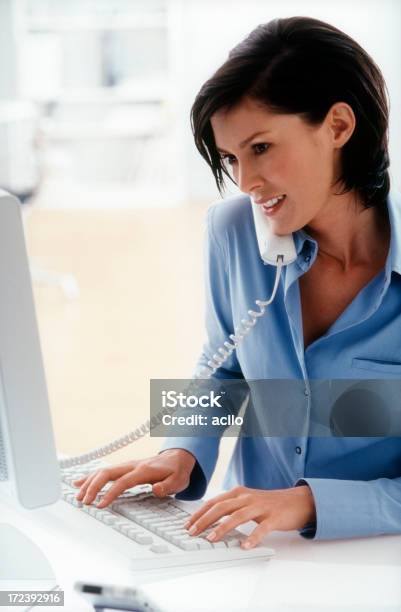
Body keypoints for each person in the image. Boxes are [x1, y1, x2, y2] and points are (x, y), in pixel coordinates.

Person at [74, 16, 401, 549]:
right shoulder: (233, 233)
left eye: (262, 148)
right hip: (244, 546)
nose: (246, 182)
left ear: (339, 126)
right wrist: (179, 451)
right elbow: (223, 364)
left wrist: (309, 503)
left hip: (376, 555)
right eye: (231, 157)